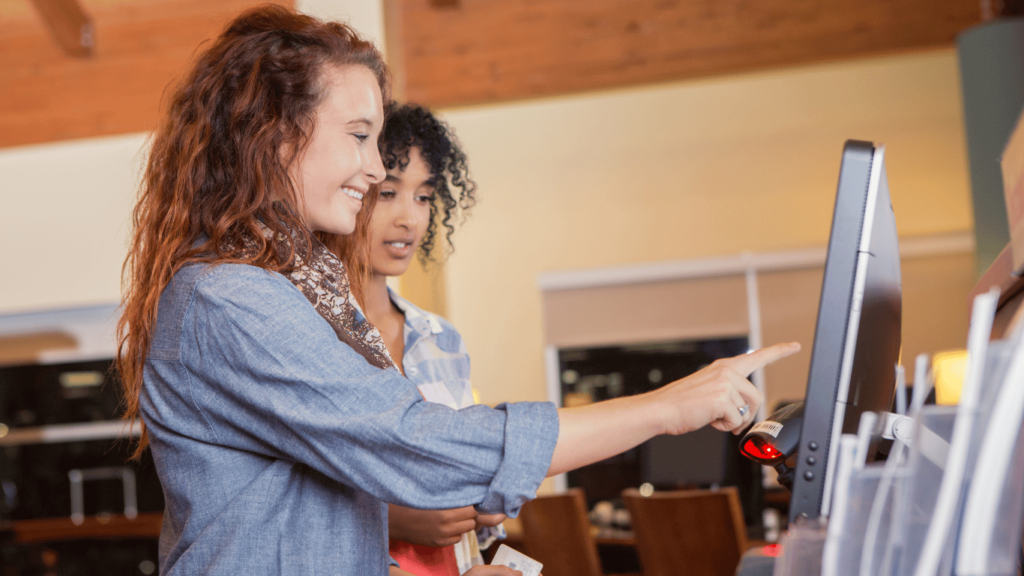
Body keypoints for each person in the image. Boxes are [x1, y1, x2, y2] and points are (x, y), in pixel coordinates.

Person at [116, 6, 799, 575]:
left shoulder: (298, 290)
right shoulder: (228, 299)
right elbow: (419, 446)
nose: (374, 167)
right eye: (358, 136)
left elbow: (303, 531)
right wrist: (664, 408)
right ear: (273, 135)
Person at [338, 102, 499, 575]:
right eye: (387, 193)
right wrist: (391, 518)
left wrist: (485, 501)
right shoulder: (312, 334)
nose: (410, 218)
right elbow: (293, 493)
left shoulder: (442, 339)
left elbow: (461, 470)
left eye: (424, 197)